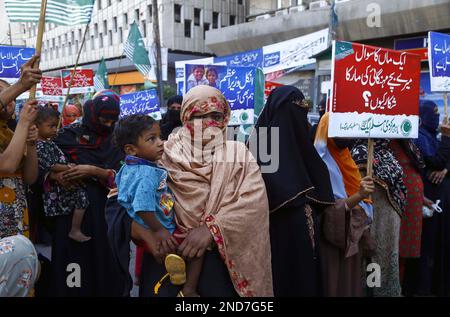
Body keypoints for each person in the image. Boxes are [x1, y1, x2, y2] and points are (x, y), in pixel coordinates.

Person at [107, 85, 273, 297]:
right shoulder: (162, 153)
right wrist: (147, 234)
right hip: (165, 258)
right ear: (185, 117)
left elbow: (253, 203)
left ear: (226, 117)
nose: (207, 123)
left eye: (216, 115)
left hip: (220, 263)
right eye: (198, 116)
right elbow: (118, 201)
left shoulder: (239, 155)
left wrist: (210, 230)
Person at [253, 86, 336, 296]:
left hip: (304, 244)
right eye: (294, 109)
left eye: (303, 110)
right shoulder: (256, 153)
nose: (298, 116)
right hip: (271, 240)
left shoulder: (304, 150)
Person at [114, 114, 204, 297]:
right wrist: (159, 230)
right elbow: (142, 206)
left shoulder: (127, 167)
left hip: (143, 227)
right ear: (131, 149)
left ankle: (176, 273)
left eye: (160, 136)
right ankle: (189, 290)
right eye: (151, 139)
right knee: (197, 251)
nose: (160, 143)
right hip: (160, 227)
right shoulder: (147, 173)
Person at [47, 90, 125, 296]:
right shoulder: (67, 135)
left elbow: (127, 177)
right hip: (73, 214)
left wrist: (95, 171)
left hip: (105, 213)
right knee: (74, 266)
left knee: (105, 265)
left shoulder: (118, 139)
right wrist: (57, 176)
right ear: (92, 114)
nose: (108, 125)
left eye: (112, 120)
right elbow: (45, 163)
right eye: (103, 120)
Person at [314, 112, 375, 297]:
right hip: (332, 241)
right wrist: (360, 195)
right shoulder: (318, 162)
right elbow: (330, 208)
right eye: (340, 129)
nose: (347, 135)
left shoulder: (347, 158)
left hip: (353, 236)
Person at [352, 139, 407, 297]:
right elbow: (359, 195)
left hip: (389, 228)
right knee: (372, 264)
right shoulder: (361, 154)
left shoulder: (387, 154)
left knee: (387, 265)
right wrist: (366, 229)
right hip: (373, 225)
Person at [35, 107, 91, 243]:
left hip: (62, 181)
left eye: (56, 125)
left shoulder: (49, 142)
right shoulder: (39, 145)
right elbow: (50, 165)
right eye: (51, 126)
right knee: (81, 197)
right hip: (56, 186)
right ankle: (75, 230)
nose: (55, 129)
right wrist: (68, 167)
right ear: (36, 126)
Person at [415, 100, 450, 296]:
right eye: (432, 114)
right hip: (428, 200)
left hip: (440, 199)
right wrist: (446, 139)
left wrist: (445, 169)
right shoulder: (420, 137)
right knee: (427, 245)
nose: (436, 117)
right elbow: (435, 160)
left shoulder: (432, 135)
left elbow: (443, 163)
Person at [0, 81, 39, 239]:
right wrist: (24, 122)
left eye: (13, 94)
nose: (10, 98)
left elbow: (30, 178)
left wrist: (31, 144)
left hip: (15, 208)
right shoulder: (19, 128)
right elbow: (6, 166)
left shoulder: (11, 133)